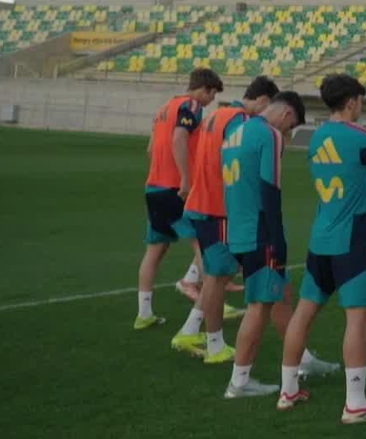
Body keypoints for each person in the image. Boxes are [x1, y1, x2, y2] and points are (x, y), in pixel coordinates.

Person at [280, 73, 366, 420]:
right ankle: (355, 402)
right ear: (351, 101)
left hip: (321, 236)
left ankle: (287, 390)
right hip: (354, 239)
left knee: (303, 313)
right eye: (360, 100)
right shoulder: (365, 139)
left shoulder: (316, 136)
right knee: (358, 319)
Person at [222, 90, 329, 398]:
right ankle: (239, 382)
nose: (287, 132)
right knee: (258, 307)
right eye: (290, 126)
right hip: (259, 232)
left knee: (281, 292)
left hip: (238, 227)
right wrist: (277, 240)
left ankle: (301, 358)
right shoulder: (269, 135)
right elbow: (270, 190)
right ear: (286, 115)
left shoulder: (235, 132)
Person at [171, 75, 276, 358]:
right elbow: (237, 166)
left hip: (203, 202)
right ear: (262, 101)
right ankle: (214, 344)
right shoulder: (240, 121)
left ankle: (190, 330)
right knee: (218, 277)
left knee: (220, 273)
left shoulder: (217, 115)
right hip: (216, 207)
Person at [136, 66, 223, 331]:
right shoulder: (191, 106)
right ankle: (209, 304)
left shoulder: (164, 108)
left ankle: (144, 313)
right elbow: (179, 138)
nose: (211, 100)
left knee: (155, 251)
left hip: (154, 187)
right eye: (212, 94)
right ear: (204, 89)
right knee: (205, 248)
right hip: (176, 189)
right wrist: (185, 177)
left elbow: (150, 149)